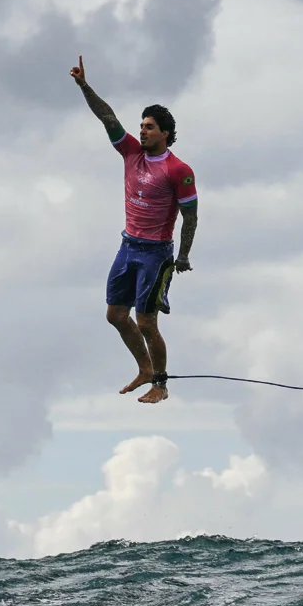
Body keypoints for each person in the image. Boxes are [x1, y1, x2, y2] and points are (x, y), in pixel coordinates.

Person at [69, 55, 198, 404]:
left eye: (150, 127)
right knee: (115, 315)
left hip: (156, 254)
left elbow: (191, 215)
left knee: (146, 321)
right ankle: (143, 367)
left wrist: (183, 255)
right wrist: (84, 86)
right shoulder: (131, 153)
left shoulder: (178, 170)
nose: (142, 131)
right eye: (141, 126)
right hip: (128, 247)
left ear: (166, 134)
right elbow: (107, 116)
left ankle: (160, 383)